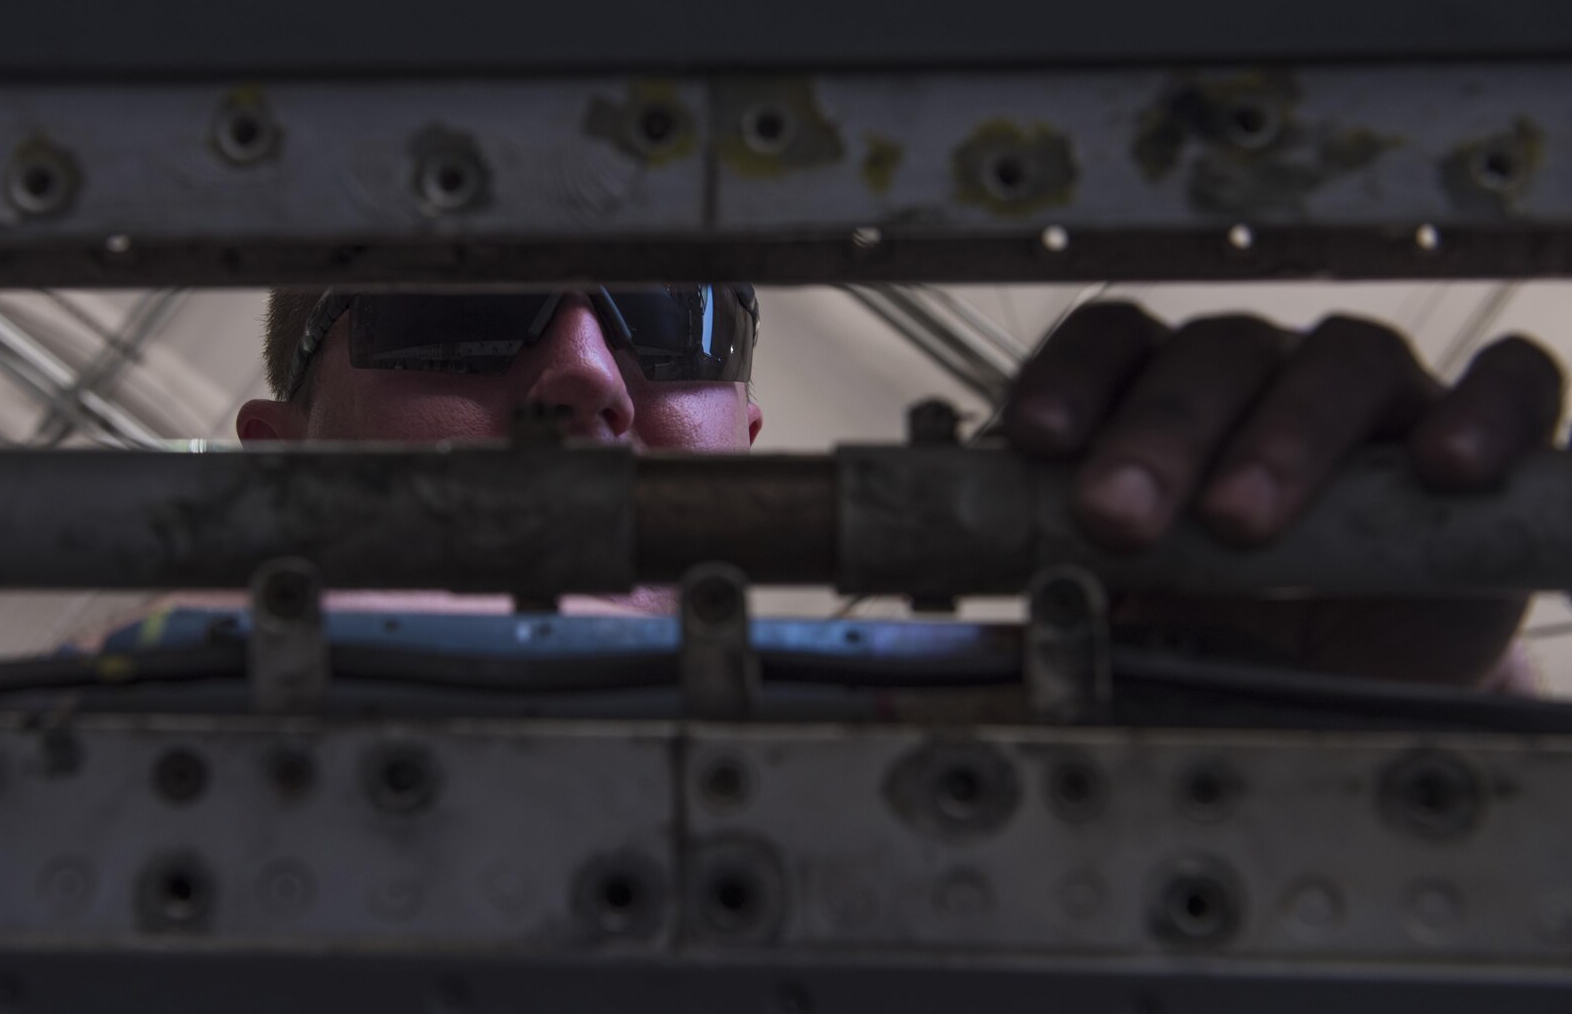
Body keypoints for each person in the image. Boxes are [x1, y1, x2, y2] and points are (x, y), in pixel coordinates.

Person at [134, 285, 1564, 687]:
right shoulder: (13, 752)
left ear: (747, 431)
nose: (582, 371)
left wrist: (1369, 738)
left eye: (670, 319)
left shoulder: (991, 774)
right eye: (455, 305)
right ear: (281, 447)